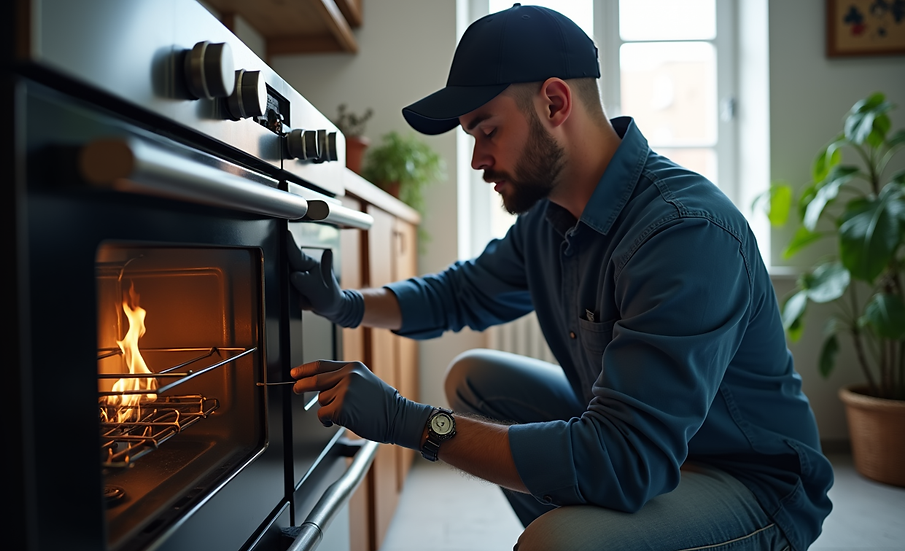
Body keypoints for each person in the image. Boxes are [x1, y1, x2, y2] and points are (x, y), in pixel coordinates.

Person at [287, 4, 833, 550]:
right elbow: (459, 293)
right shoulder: (550, 219)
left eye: (487, 129)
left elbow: (623, 460)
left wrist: (412, 423)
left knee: (558, 542)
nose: (477, 159)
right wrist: (344, 305)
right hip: (647, 451)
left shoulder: (683, 232)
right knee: (475, 379)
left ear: (554, 102)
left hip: (750, 482)